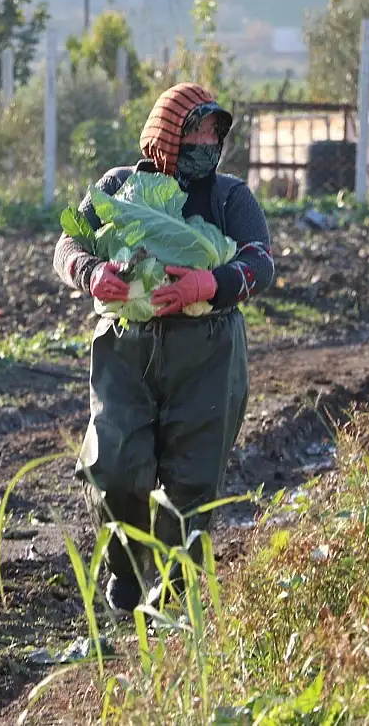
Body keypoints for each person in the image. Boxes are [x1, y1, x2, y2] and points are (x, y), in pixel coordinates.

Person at [53, 82, 276, 611]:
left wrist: (211, 285)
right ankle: (126, 567)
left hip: (207, 351)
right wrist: (90, 272)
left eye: (213, 133)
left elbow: (260, 262)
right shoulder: (117, 186)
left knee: (191, 482)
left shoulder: (229, 197)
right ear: (165, 134)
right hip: (126, 346)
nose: (206, 142)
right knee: (113, 465)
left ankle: (173, 599)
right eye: (195, 130)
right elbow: (67, 244)